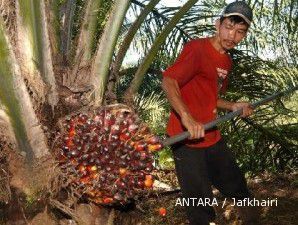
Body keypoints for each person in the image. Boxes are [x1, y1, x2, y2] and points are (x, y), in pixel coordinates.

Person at [162, 1, 259, 225]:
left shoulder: (226, 60)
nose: (232, 35)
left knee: (236, 185)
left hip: (211, 135)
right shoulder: (197, 48)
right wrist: (187, 118)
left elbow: (211, 97)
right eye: (228, 27)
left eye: (239, 32)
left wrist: (233, 105)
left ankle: (253, 218)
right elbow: (169, 81)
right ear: (218, 24)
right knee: (199, 206)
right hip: (185, 140)